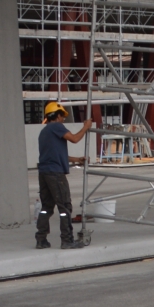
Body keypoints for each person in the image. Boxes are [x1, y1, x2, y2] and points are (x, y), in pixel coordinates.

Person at [35, 102, 88, 250]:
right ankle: (67, 240)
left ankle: (41, 239)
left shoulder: (44, 132)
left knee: (46, 207)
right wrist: (86, 127)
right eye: (62, 116)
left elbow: (56, 154)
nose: (63, 119)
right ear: (57, 116)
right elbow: (75, 139)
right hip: (55, 174)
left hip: (44, 173)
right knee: (65, 207)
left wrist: (77, 160)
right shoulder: (56, 127)